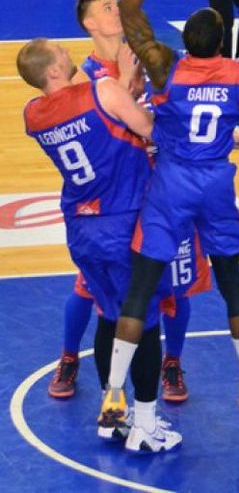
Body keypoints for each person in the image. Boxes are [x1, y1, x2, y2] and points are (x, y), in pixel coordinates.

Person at [98, 0, 239, 443]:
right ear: (222, 41)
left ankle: (114, 390)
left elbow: (129, 11)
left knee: (142, 285)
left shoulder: (165, 66)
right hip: (216, 182)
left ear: (186, 42)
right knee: (231, 281)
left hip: (171, 180)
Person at [17, 38, 182, 452]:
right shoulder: (103, 90)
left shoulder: (33, 114)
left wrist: (121, 84)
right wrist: (131, 85)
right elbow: (150, 129)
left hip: (81, 227)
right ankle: (145, 424)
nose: (66, 52)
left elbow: (94, 118)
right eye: (59, 52)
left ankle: (113, 415)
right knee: (143, 321)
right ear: (54, 70)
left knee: (109, 315)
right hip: (124, 222)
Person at [47, 0, 211, 404]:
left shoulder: (155, 58)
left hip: (164, 191)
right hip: (113, 202)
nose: (116, 11)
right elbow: (112, 129)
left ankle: (172, 363)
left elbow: (185, 111)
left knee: (176, 284)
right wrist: (126, 86)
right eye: (106, 8)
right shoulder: (82, 78)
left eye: (117, 5)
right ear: (89, 23)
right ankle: (69, 357)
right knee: (90, 290)